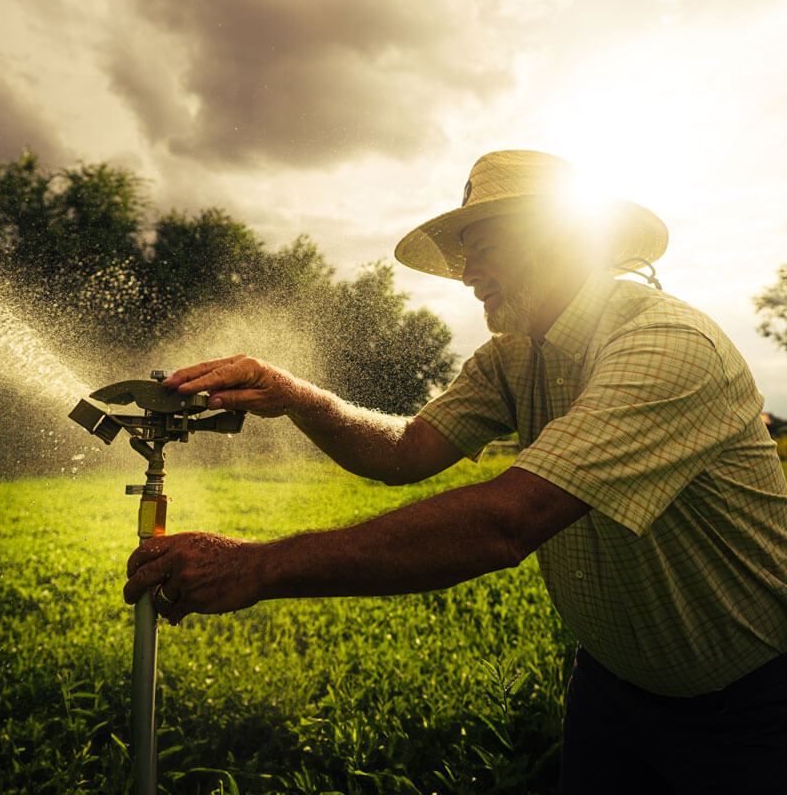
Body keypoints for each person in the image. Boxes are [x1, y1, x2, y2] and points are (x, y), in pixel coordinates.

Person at [123, 150, 787, 793]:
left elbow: (507, 522)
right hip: (609, 686)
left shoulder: (667, 343)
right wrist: (294, 394)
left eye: (484, 246)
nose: (467, 273)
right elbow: (405, 451)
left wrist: (254, 566)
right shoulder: (511, 356)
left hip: (750, 702)